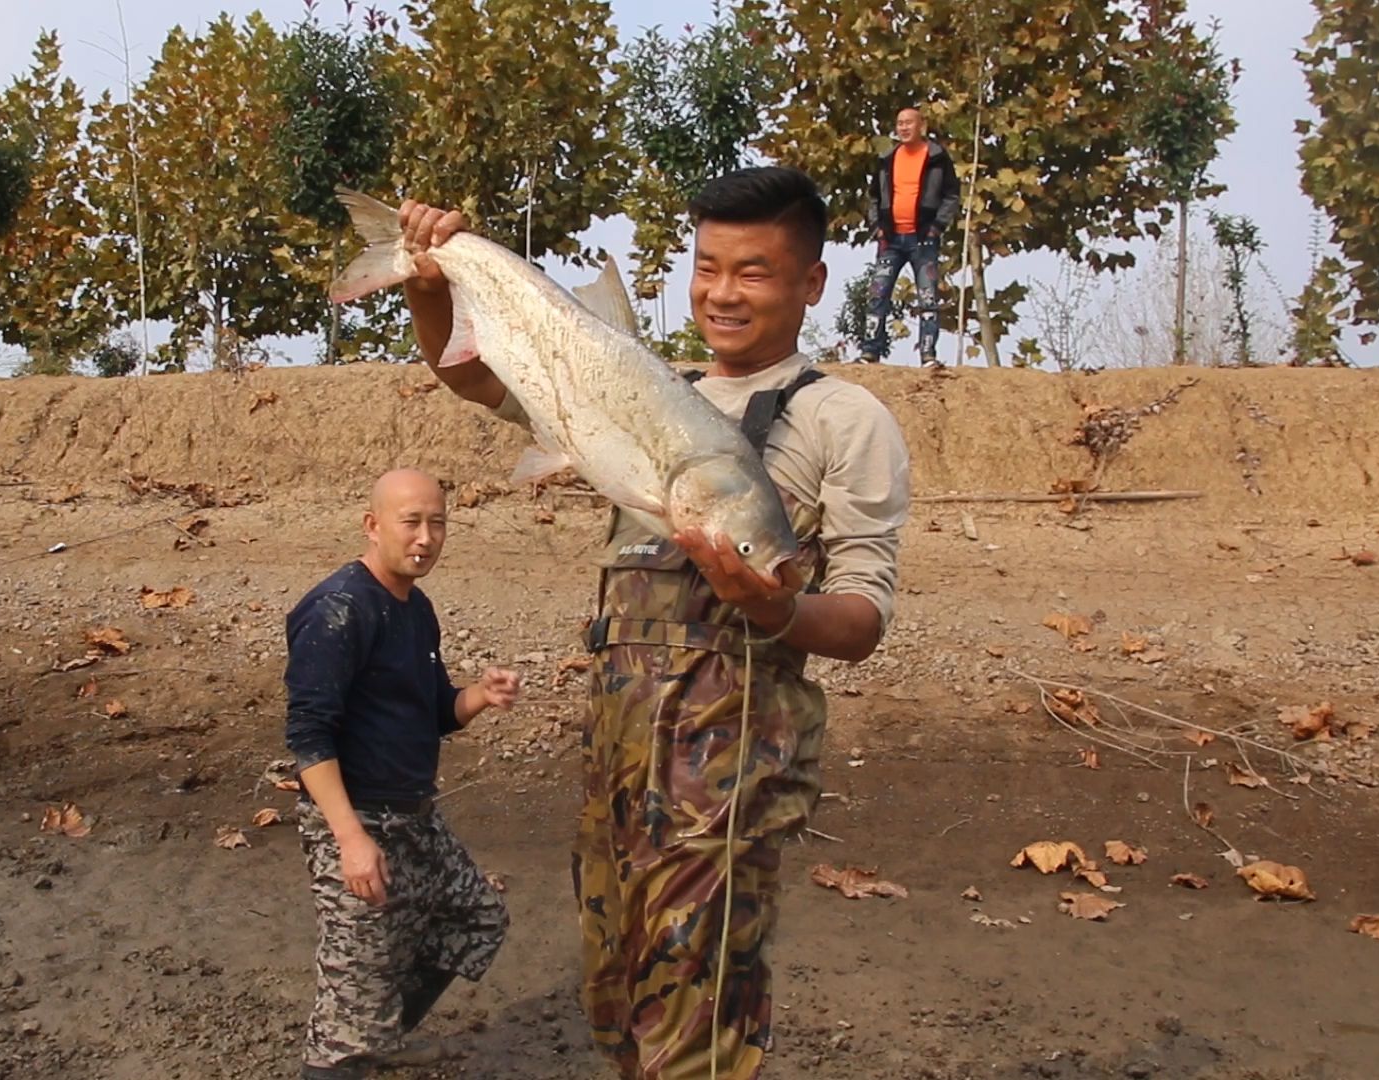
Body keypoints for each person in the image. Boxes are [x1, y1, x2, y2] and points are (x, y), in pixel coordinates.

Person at [395, 167, 910, 1079]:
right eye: (708, 267)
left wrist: (776, 606)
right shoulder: (627, 383)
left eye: (753, 271)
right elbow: (469, 374)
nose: (722, 292)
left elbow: (864, 616)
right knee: (618, 1007)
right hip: (618, 768)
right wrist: (434, 287)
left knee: (694, 1036)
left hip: (727, 783)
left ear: (811, 283)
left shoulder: (843, 419)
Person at [284, 467, 522, 1080]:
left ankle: (379, 1034)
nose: (426, 537)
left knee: (477, 918)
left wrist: (480, 695)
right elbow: (308, 736)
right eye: (410, 522)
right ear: (373, 525)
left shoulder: (415, 609)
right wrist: (350, 841)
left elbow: (436, 710)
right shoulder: (338, 609)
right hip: (356, 820)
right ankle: (357, 1045)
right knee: (345, 1024)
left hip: (415, 815)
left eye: (437, 523)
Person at [861, 105, 961, 367]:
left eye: (909, 123)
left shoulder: (937, 158)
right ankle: (870, 351)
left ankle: (928, 354)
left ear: (921, 125)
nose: (903, 128)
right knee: (878, 294)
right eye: (900, 123)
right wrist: (877, 226)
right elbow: (873, 196)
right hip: (890, 239)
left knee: (927, 297)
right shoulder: (887, 159)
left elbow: (952, 195)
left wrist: (937, 226)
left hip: (923, 239)